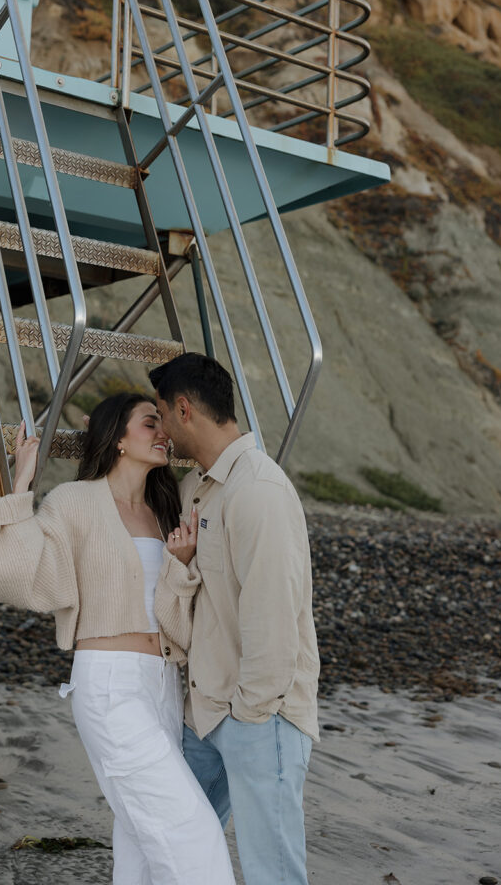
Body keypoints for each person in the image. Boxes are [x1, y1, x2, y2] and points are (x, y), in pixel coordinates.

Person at [0, 392, 236, 885]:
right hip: (109, 686)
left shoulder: (166, 508)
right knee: (190, 826)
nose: (162, 434)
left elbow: (180, 626)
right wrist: (22, 482)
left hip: (163, 684)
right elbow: (4, 575)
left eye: (162, 424)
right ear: (117, 437)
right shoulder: (75, 502)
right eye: (148, 424)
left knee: (140, 835)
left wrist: (179, 569)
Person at [150, 354, 320, 885]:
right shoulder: (194, 490)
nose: (162, 430)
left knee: (272, 873)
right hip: (206, 713)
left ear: (184, 410)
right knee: (178, 846)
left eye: (161, 416)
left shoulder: (259, 492)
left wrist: (251, 717)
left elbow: (273, 623)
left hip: (256, 716)